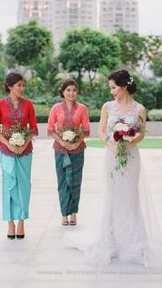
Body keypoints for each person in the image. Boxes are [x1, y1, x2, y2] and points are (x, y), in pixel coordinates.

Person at [64, 69, 162, 267]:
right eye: (110, 88)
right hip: (111, 156)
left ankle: (134, 240)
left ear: (124, 86)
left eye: (113, 87)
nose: (111, 91)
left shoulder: (140, 109)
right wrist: (112, 146)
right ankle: (109, 240)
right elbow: (101, 132)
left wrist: (129, 141)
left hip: (130, 156)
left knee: (130, 195)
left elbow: (141, 134)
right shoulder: (107, 107)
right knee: (112, 194)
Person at [0, 72, 38, 239]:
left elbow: (33, 128)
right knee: (9, 186)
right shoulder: (0, 104)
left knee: (24, 187)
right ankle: (10, 223)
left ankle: (21, 222)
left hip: (25, 152)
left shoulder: (28, 104)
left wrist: (23, 144)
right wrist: (9, 144)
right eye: (19, 85)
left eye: (23, 85)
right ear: (10, 86)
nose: (22, 88)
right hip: (6, 151)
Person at [47, 79, 90, 226]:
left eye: (74, 90)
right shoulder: (56, 108)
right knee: (63, 182)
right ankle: (64, 214)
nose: (71, 93)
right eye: (68, 90)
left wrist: (76, 142)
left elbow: (86, 130)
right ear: (63, 92)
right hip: (60, 150)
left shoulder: (82, 108)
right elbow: (51, 130)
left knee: (75, 182)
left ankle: (73, 213)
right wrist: (63, 142)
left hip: (78, 150)